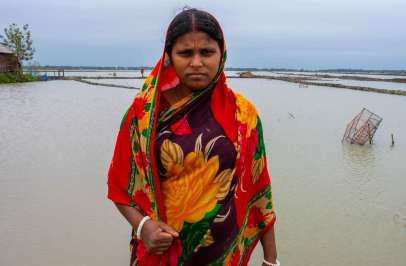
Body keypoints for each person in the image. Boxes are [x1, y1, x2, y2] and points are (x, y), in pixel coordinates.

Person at [107, 8, 278, 266]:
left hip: (224, 256)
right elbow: (118, 186)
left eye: (206, 52)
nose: (196, 63)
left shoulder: (244, 115)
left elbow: (260, 190)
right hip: (162, 253)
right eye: (185, 53)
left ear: (222, 54)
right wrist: (143, 227)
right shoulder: (143, 116)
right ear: (169, 57)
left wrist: (271, 260)